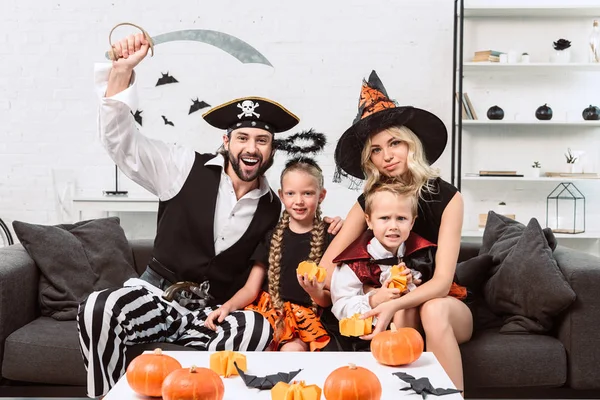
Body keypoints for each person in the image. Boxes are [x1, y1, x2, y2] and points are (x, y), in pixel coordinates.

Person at [77, 33, 342, 397]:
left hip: (216, 313)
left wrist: (331, 226)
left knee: (257, 328)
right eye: (243, 138)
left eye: (261, 141)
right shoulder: (182, 166)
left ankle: (206, 392)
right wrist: (121, 73)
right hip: (158, 296)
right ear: (226, 141)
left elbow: (299, 231)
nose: (251, 148)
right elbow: (121, 143)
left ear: (271, 150)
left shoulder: (273, 206)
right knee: (98, 306)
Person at [320, 70, 473, 391]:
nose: (387, 155)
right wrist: (318, 283)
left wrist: (393, 304)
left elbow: (443, 282)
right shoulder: (369, 202)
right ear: (369, 159)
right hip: (394, 304)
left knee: (430, 310)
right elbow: (329, 265)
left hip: (444, 304)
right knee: (402, 314)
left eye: (394, 143)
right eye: (376, 149)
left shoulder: (448, 198)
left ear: (411, 145)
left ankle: (451, 397)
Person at [206, 157, 335, 351]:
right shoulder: (272, 236)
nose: (298, 201)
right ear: (282, 196)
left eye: (307, 193)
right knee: (253, 344)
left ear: (321, 195)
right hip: (267, 313)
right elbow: (251, 289)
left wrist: (314, 292)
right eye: (291, 193)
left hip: (303, 321)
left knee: (292, 353)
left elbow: (329, 298)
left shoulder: (331, 237)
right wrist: (227, 306)